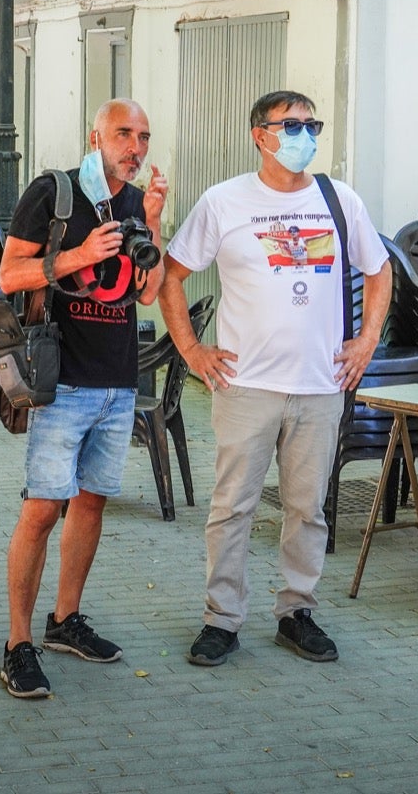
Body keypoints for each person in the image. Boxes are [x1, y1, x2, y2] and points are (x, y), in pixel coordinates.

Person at [157, 90, 390, 669]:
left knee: (307, 508)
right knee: (233, 506)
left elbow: (379, 271)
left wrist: (366, 341)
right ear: (259, 134)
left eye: (312, 124)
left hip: (319, 385)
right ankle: (221, 619)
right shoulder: (224, 201)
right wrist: (189, 348)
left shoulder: (339, 201)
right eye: (291, 125)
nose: (304, 135)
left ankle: (297, 611)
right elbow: (172, 274)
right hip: (246, 384)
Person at [0, 99, 169, 699]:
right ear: (95, 135)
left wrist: (156, 221)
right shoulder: (55, 191)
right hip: (61, 380)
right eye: (124, 134)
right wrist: (77, 256)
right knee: (42, 511)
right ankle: (18, 643)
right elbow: (8, 275)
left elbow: (145, 296)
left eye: (144, 137)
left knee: (91, 504)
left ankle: (64, 621)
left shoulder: (134, 201)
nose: (136, 147)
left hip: (118, 383)